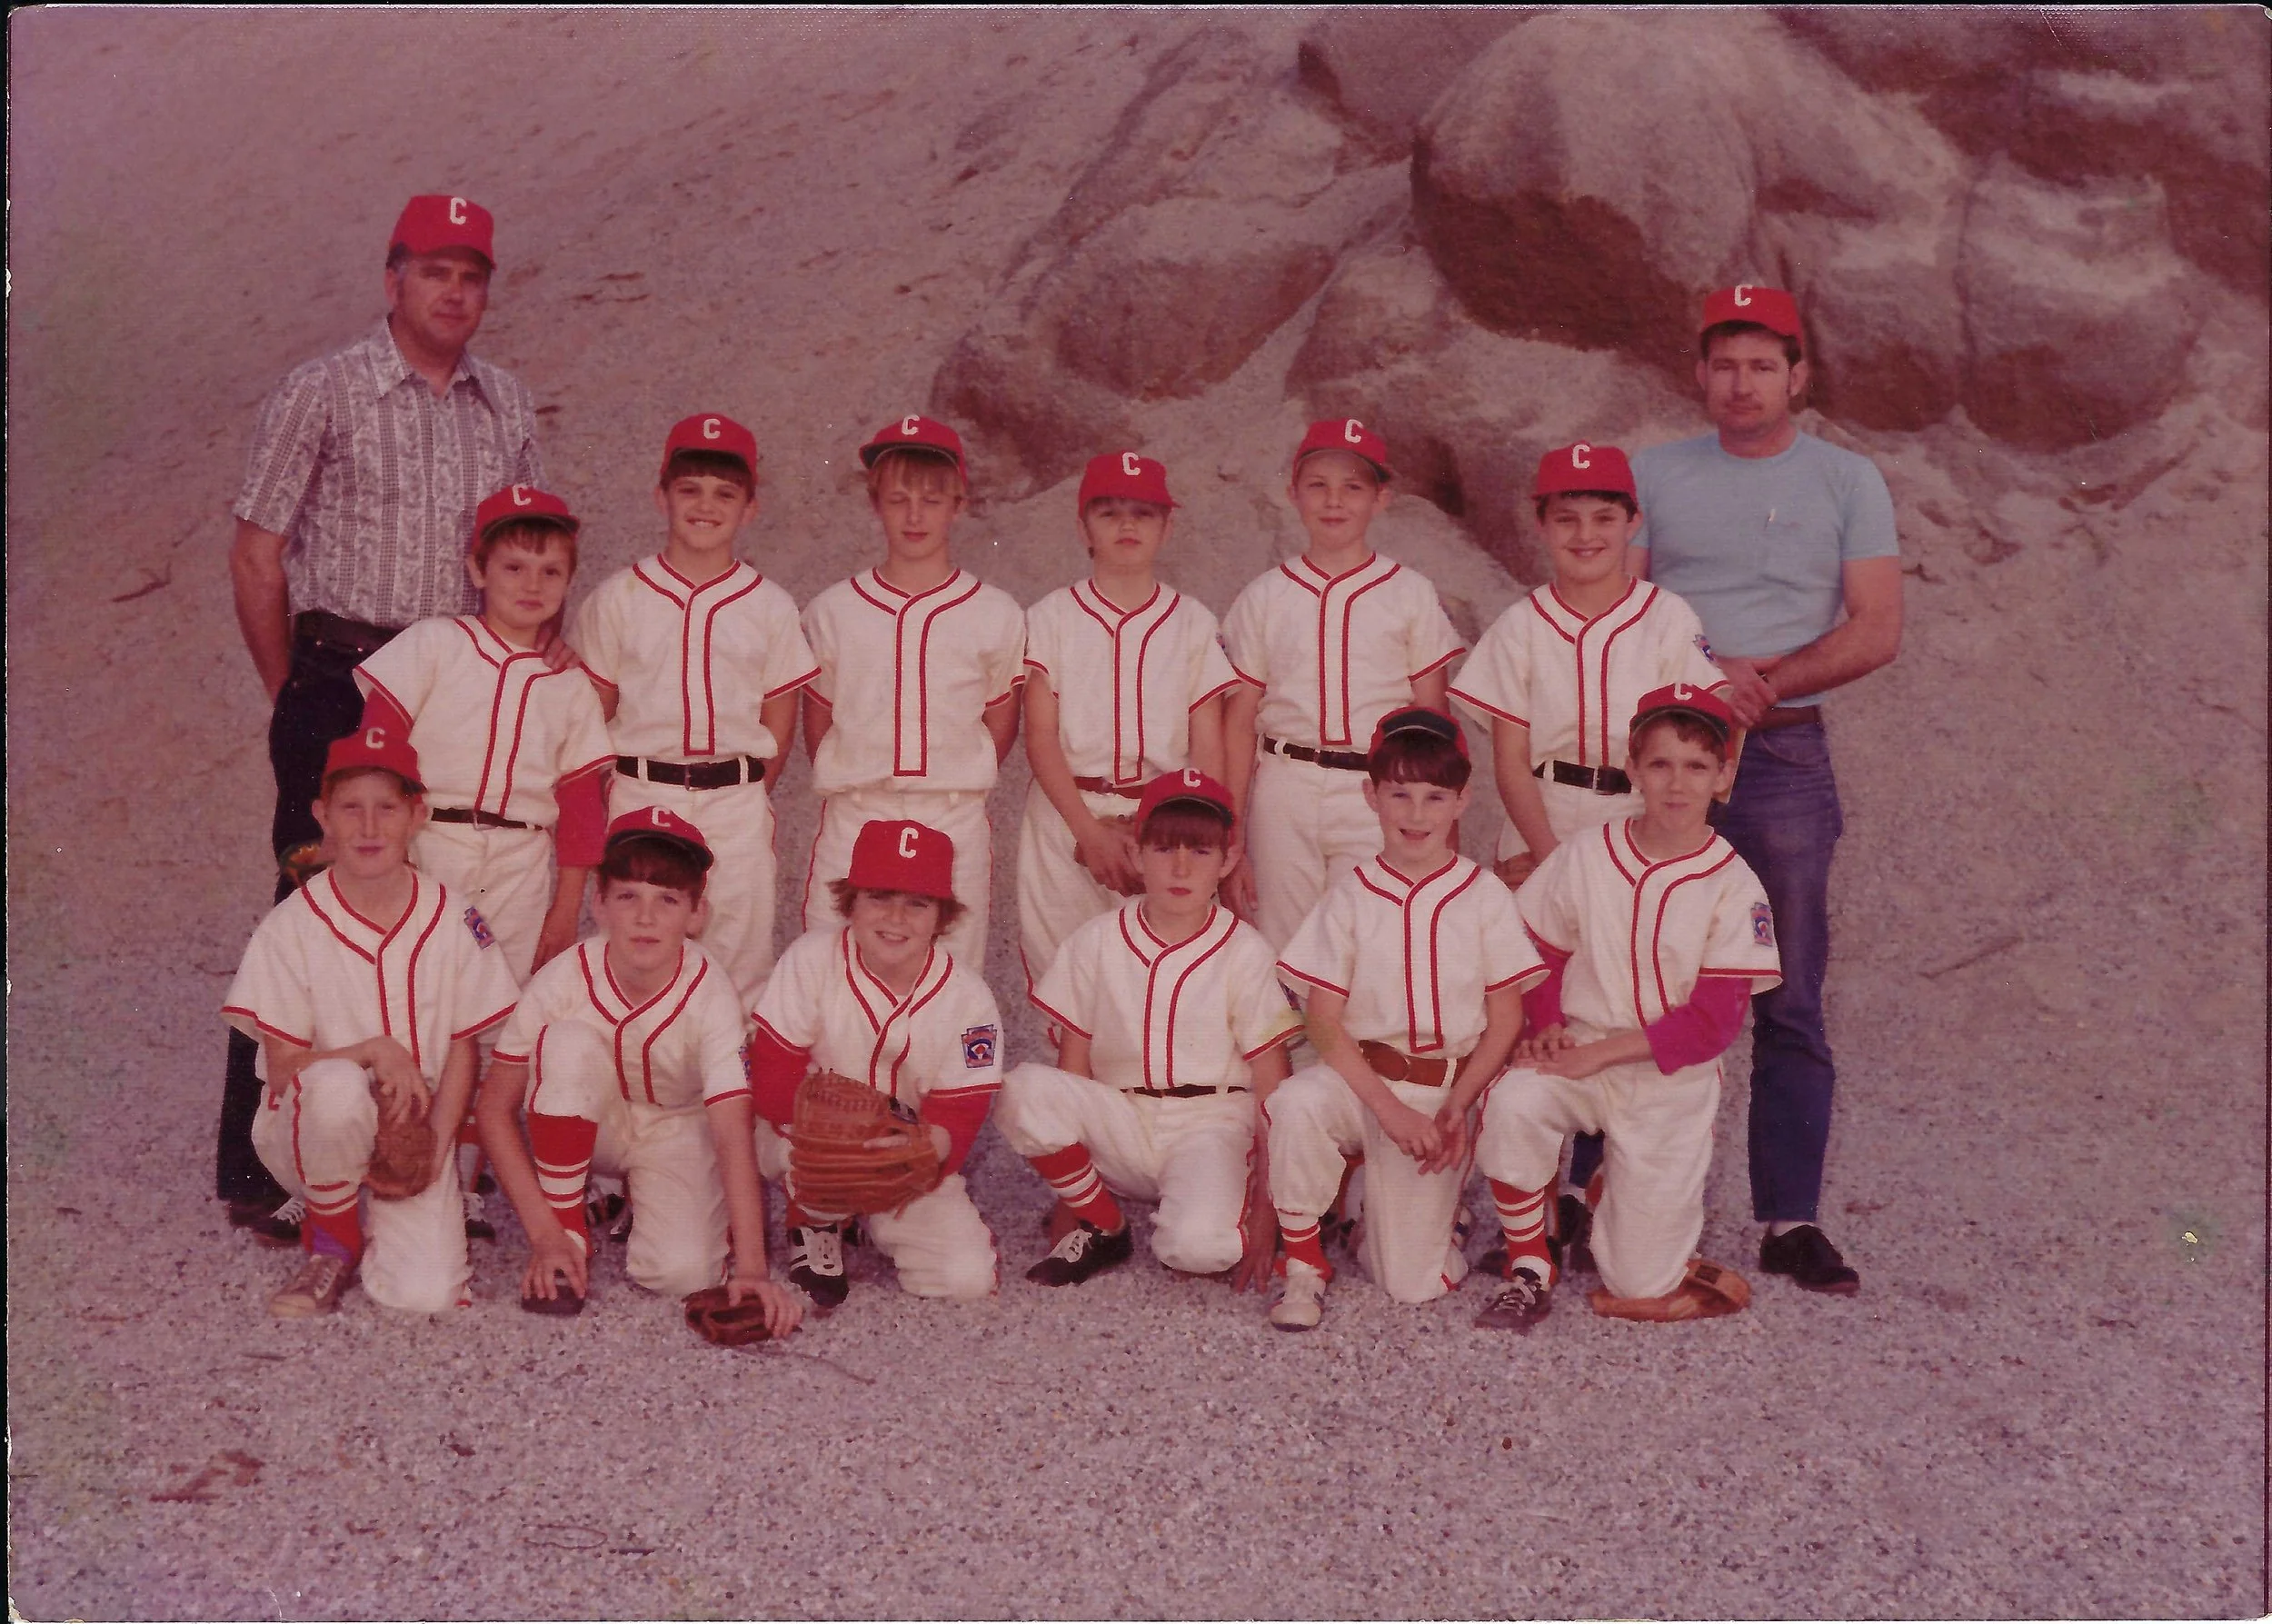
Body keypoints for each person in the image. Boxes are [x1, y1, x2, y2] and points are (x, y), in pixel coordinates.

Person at [219, 194, 543, 1244]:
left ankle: (423, 1147)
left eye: (472, 275)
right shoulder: (323, 389)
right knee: (312, 897)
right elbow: (257, 550)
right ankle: (267, 1161)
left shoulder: (507, 406)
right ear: (392, 278)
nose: (455, 291)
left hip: (449, 678)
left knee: (433, 899)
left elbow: (527, 555)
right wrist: (294, 692)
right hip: (341, 666)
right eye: (434, 270)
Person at [1630, 284, 1902, 1295]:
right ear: (1698, 375)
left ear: (1798, 375)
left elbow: (1876, 625)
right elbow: (1624, 605)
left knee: (1787, 992)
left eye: (1761, 364)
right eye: (1723, 363)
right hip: (1667, 752)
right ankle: (1580, 1197)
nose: (1740, 382)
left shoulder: (1846, 478)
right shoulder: (1652, 474)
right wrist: (1707, 675)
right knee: (1626, 965)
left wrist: (1763, 686)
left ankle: (1789, 1217)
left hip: (1782, 754)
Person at [1448, 441, 1729, 1263]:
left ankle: (1594, 1191)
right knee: (1529, 1007)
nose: (1585, 533)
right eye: (1566, 517)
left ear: (1632, 522)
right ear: (1540, 525)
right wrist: (1544, 851)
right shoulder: (1521, 622)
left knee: (1628, 994)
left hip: (1643, 808)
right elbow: (1507, 755)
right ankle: (1522, 1214)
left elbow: (1702, 729)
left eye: (1604, 517)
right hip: (1547, 809)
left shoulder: (1669, 618)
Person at [1470, 685, 1782, 1330]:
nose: (1677, 782)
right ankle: (1530, 1263)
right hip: (1581, 1040)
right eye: (1661, 763)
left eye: (1698, 765)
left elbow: (1711, 1024)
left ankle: (1613, 1194)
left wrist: (1595, 1054)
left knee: (1639, 1289)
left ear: (1724, 775)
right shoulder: (1588, 852)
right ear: (1633, 768)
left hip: (1669, 1074)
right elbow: (1539, 948)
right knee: (1513, 1100)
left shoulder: (1732, 882)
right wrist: (1548, 1024)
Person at [221, 726, 520, 1317]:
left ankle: (379, 1212)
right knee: (335, 1088)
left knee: (427, 1295)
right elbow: (282, 1068)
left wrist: (436, 1151)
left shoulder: (453, 915)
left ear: (418, 815)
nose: (369, 825)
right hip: (308, 1124)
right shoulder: (293, 924)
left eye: (387, 807)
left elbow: (465, 1048)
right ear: (321, 815)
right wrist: (375, 1050)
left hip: (413, 1133)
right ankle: (332, 1240)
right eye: (350, 808)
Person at [1263, 708, 1542, 1330]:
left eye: (1434, 796)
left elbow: (1505, 1019)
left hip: (1443, 1086)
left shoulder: (1485, 894)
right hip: (1363, 1080)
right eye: (1399, 794)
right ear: (1371, 794)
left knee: (1415, 1285)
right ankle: (1304, 1267)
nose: (1416, 814)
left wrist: (1460, 1105)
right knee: (1296, 1101)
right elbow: (1325, 1024)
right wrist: (1387, 1111)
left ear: (1463, 800)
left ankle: (1385, 1212)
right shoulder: (1351, 893)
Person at [474, 808, 802, 1337]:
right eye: (628, 896)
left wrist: (753, 1270)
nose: (646, 918)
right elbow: (493, 1110)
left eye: (668, 900)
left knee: (679, 1273)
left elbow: (731, 1131)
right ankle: (568, 1234)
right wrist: (542, 1233)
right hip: (593, 1119)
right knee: (567, 1043)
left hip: (678, 1127)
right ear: (599, 904)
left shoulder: (711, 992)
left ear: (697, 915)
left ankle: (630, 1195)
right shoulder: (562, 979)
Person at [998, 770, 1300, 1288]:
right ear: (1136, 854)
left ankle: (1203, 1200)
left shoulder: (1246, 950)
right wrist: (1072, 1205)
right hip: (1121, 1118)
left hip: (1211, 1124)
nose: (1181, 867)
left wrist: (1266, 1217)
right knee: (1021, 1090)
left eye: (1201, 852)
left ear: (1227, 861)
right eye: (1164, 849)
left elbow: (1273, 1084)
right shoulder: (1096, 940)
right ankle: (1104, 1222)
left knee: (1199, 1249)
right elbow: (1074, 1067)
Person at [568, 413, 819, 1005]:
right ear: (662, 496)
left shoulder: (770, 604)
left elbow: (780, 719)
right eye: (690, 489)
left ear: (750, 507)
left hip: (734, 799)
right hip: (641, 790)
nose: (706, 506)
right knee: (635, 957)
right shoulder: (619, 597)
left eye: (725, 493)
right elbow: (591, 715)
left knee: (739, 963)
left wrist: (747, 788)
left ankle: (728, 1095)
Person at [1221, 418, 1466, 946]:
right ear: (1293, 494)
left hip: (1377, 786)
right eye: (1318, 485)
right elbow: (1240, 722)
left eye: (1353, 487)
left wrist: (1443, 818)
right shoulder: (1264, 596)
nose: (1335, 501)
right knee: (1284, 948)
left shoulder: (1409, 593)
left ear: (1381, 499)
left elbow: (1433, 719)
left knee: (1371, 942)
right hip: (1284, 781)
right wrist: (1232, 829)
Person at [799, 416, 1026, 969]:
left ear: (959, 503)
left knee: (949, 977)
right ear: (875, 504)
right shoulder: (833, 609)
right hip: (857, 810)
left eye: (931, 498)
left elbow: (1000, 721)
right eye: (898, 499)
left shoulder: (994, 612)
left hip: (951, 813)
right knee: (830, 969)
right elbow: (818, 720)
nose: (915, 515)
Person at [749, 819, 1004, 1307]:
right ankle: (813, 1217)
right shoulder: (810, 960)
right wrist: (838, 1143)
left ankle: (866, 1216)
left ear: (942, 916)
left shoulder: (969, 999)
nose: (896, 917)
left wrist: (907, 1156)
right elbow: (772, 1080)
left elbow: (961, 1117)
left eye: (917, 903)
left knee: (964, 1280)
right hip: (803, 1139)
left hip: (904, 1156)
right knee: (789, 1148)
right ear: (851, 901)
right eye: (880, 897)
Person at [1016, 453, 1237, 991]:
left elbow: (1207, 747)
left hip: (1163, 819)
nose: (1128, 525)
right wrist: (1089, 832)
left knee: (1155, 987)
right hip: (1068, 816)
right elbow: (1039, 737)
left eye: (1144, 513)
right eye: (1110, 512)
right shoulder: (1051, 616)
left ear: (1167, 527)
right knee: (1064, 988)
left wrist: (1194, 830)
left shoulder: (1191, 621)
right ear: (1083, 526)